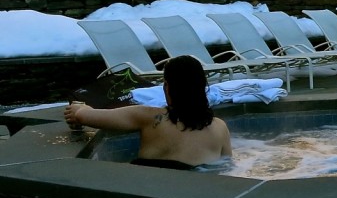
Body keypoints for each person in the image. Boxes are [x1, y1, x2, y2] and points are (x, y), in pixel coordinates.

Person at [64, 54, 231, 170]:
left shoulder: (149, 117)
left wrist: (79, 108)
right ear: (202, 88)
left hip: (150, 187)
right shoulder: (220, 127)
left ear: (167, 86)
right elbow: (227, 165)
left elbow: (85, 116)